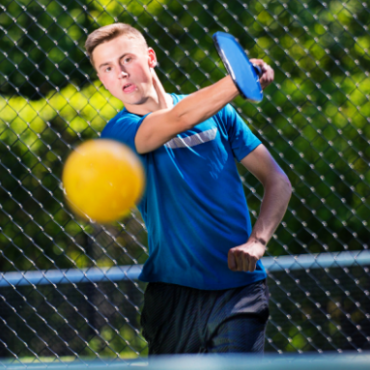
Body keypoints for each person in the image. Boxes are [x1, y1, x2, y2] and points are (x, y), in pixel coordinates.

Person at [85, 23, 292, 354]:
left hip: (240, 289)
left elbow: (278, 181)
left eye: (126, 60)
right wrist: (240, 77)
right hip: (171, 294)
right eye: (106, 68)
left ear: (150, 57)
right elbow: (178, 118)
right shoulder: (118, 134)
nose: (120, 74)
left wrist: (258, 241)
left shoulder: (220, 114)